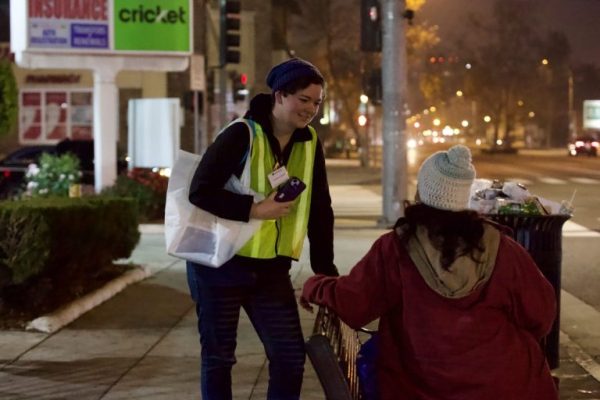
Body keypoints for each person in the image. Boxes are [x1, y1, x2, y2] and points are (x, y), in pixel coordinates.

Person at [301, 145, 558, 400]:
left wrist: (317, 286)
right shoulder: (503, 249)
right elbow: (541, 314)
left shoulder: (395, 248)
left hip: (418, 388)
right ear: (463, 198)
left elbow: (353, 303)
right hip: (507, 386)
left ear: (422, 191)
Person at [186, 58, 338, 400]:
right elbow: (200, 190)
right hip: (218, 264)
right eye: (304, 100)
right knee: (219, 358)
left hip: (270, 270)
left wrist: (324, 272)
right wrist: (255, 209)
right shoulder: (242, 134)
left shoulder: (310, 142)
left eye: (317, 102)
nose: (311, 109)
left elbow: (319, 208)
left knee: (290, 358)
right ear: (280, 95)